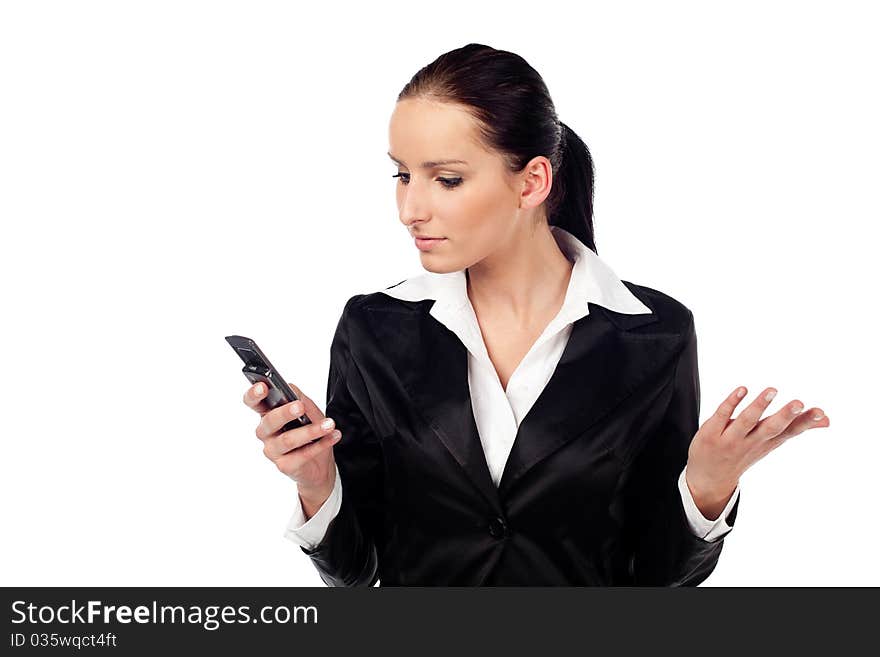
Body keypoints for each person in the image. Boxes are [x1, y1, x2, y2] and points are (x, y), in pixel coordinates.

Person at [243, 43, 830, 586]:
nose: (409, 209)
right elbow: (355, 569)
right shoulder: (374, 328)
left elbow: (658, 576)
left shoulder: (656, 333)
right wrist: (318, 483)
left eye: (446, 179)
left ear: (532, 183)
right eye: (401, 173)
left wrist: (706, 487)